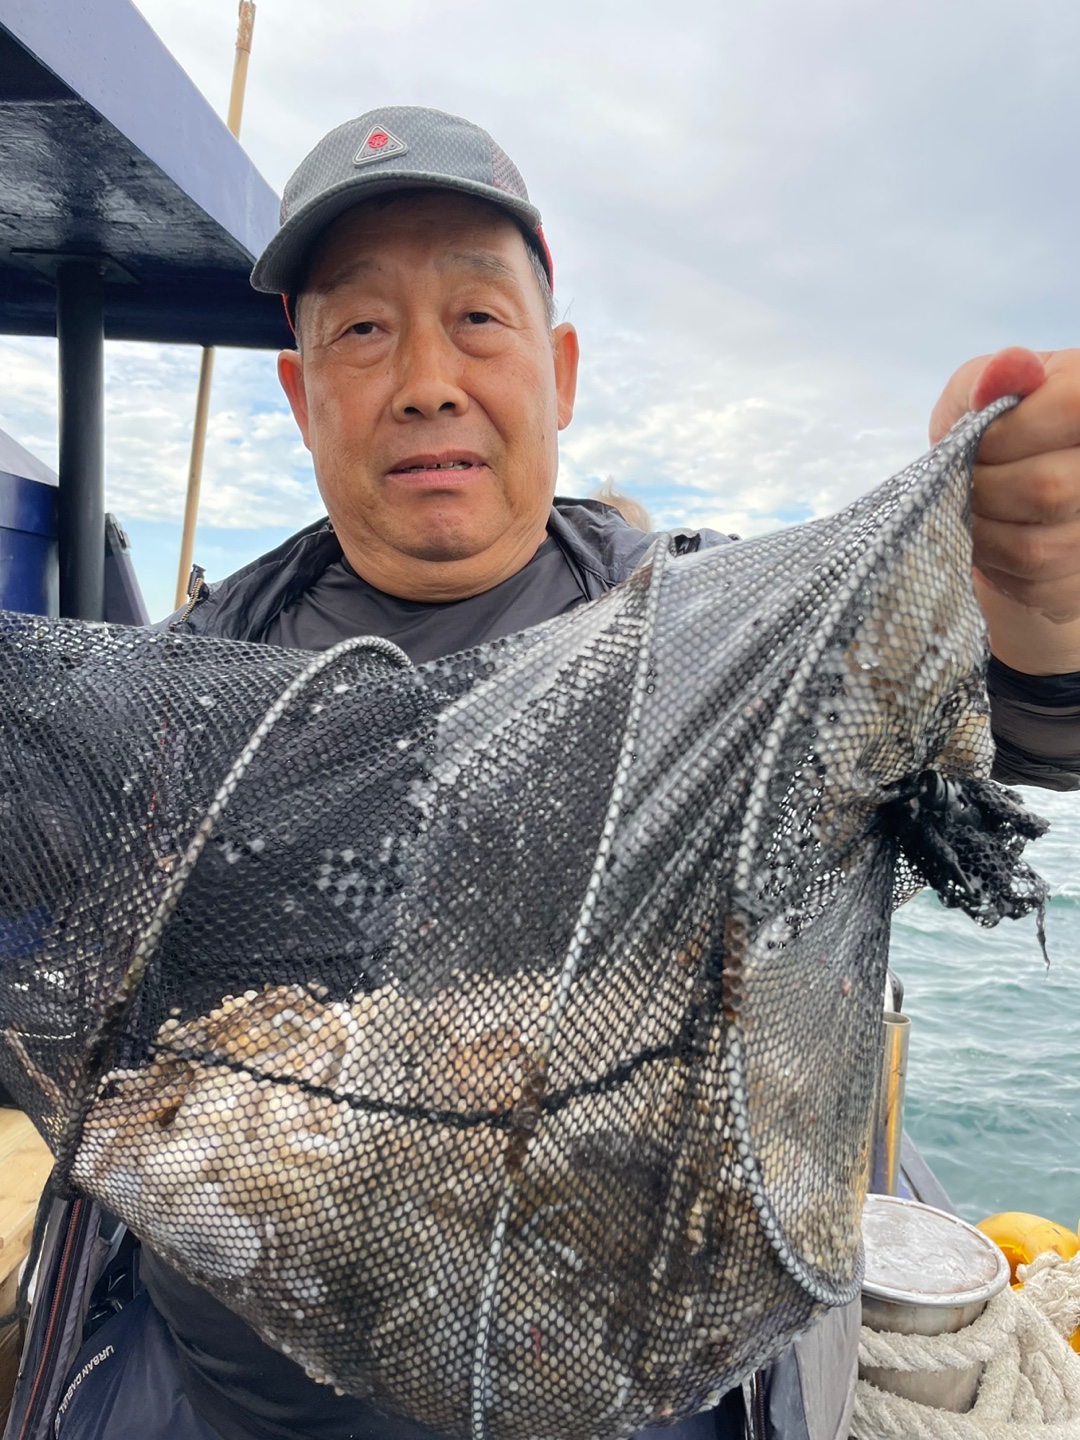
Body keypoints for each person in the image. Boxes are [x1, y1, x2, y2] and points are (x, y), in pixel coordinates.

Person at [49, 106, 1080, 1440]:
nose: (428, 379)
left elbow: (1005, 743)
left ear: (561, 369)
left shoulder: (721, 639)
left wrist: (1036, 616)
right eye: (362, 330)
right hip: (235, 1401)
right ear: (301, 396)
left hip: (642, 1384)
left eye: (479, 318)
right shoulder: (178, 689)